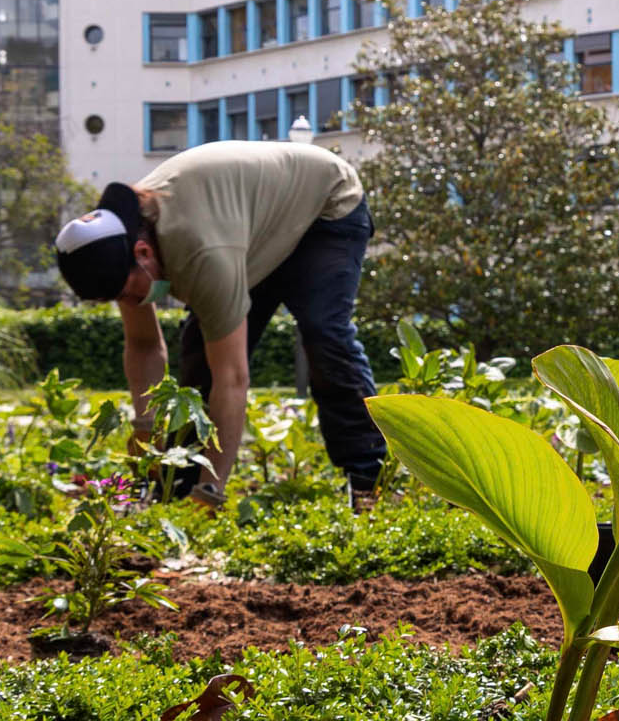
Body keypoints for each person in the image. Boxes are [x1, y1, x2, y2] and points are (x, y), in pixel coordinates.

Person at [51, 139, 387, 507]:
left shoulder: (202, 253)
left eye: (127, 294)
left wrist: (210, 492)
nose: (129, 303)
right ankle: (175, 486)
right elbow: (144, 345)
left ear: (143, 253)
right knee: (198, 355)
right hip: (249, 225)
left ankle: (370, 476)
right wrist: (147, 438)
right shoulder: (120, 244)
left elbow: (234, 379)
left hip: (324, 205)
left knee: (323, 332)